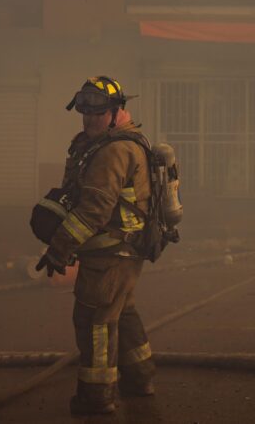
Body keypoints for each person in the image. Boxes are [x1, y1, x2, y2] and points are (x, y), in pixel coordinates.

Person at [35, 76, 158, 415]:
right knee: (123, 311)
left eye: (98, 113)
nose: (89, 120)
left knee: (94, 320)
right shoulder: (108, 144)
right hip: (122, 251)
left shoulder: (114, 151)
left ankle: (97, 395)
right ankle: (141, 377)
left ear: (117, 111)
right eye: (85, 113)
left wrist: (59, 248)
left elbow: (93, 211)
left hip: (110, 253)